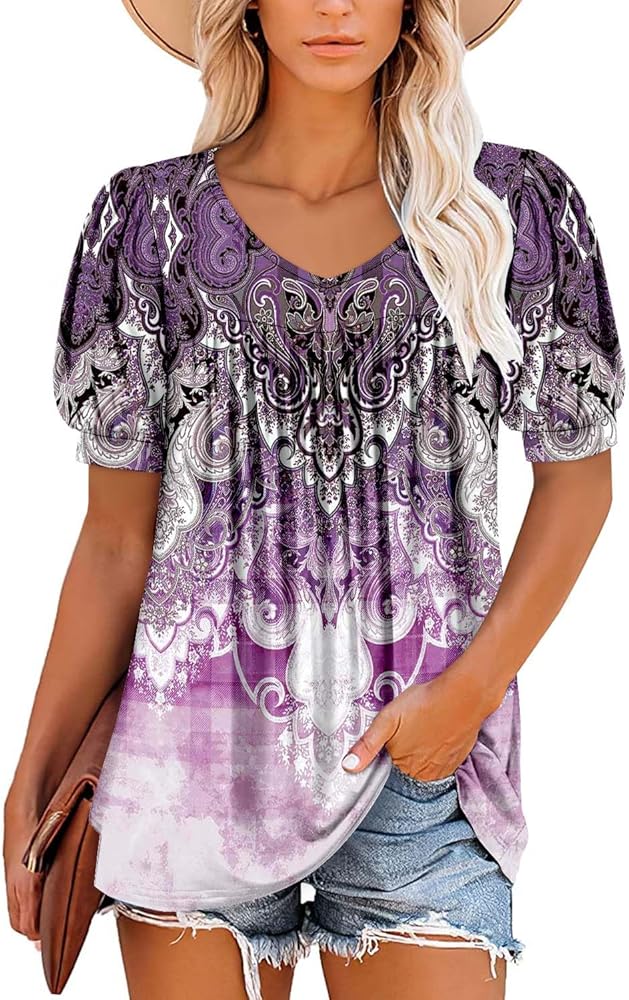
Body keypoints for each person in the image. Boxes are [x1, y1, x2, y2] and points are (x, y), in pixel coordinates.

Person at [4, 2, 625, 998]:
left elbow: (578, 479)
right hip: (186, 760)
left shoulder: (506, 206)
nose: (335, 5)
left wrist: (465, 697)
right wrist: (34, 769)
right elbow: (116, 542)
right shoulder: (148, 223)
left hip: (423, 769)